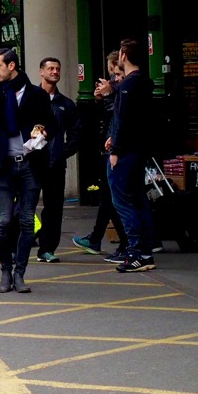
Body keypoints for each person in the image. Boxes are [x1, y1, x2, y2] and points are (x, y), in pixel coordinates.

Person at [0, 48, 53, 293]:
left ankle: (20, 274)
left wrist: (44, 132)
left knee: (27, 221)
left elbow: (52, 124)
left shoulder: (36, 94)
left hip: (30, 163)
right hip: (5, 165)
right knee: (5, 221)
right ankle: (5, 271)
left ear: (12, 66)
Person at [102, 39, 156, 273]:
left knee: (122, 201)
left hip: (125, 151)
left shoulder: (126, 86)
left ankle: (135, 253)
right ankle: (146, 250)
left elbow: (123, 120)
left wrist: (115, 150)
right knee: (138, 199)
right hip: (140, 149)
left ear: (123, 55)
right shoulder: (145, 82)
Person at [75, 52, 127, 257]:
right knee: (109, 197)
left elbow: (116, 115)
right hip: (109, 146)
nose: (115, 78)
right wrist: (101, 99)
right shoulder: (117, 88)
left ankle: (124, 243)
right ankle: (98, 238)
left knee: (113, 198)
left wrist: (107, 95)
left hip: (115, 149)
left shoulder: (121, 87)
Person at [36, 57, 80, 263]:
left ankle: (47, 248)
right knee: (23, 207)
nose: (55, 72)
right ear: (41, 72)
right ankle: (19, 245)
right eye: (50, 68)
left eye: (58, 69)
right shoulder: (30, 99)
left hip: (55, 163)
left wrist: (63, 152)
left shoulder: (66, 104)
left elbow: (76, 133)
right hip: (32, 163)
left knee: (54, 208)